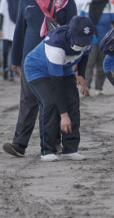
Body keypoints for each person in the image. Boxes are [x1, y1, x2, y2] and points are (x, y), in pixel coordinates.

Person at [3, 0, 78, 158]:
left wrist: (74, 59)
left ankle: (55, 143)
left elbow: (74, 28)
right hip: (31, 59)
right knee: (28, 101)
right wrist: (15, 59)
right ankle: (19, 144)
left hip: (58, 58)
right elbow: (20, 30)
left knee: (55, 99)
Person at [24, 16, 94, 161]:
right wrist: (64, 115)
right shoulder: (55, 44)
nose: (82, 43)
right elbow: (57, 85)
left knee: (73, 102)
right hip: (37, 69)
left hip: (65, 68)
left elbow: (85, 54)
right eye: (79, 39)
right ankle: (47, 150)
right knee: (50, 103)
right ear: (71, 33)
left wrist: (81, 75)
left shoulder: (88, 38)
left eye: (85, 40)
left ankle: (70, 149)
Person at [80, 0, 114, 96]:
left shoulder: (110, 6)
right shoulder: (86, 6)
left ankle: (99, 88)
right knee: (88, 64)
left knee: (102, 66)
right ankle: (85, 87)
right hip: (89, 41)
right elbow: (80, 22)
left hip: (105, 42)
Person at [0, 0, 21, 80]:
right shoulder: (5, 0)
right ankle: (4, 71)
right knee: (4, 53)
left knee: (14, 53)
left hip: (16, 32)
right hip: (6, 31)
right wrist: (0, 29)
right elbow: (1, 15)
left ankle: (12, 73)